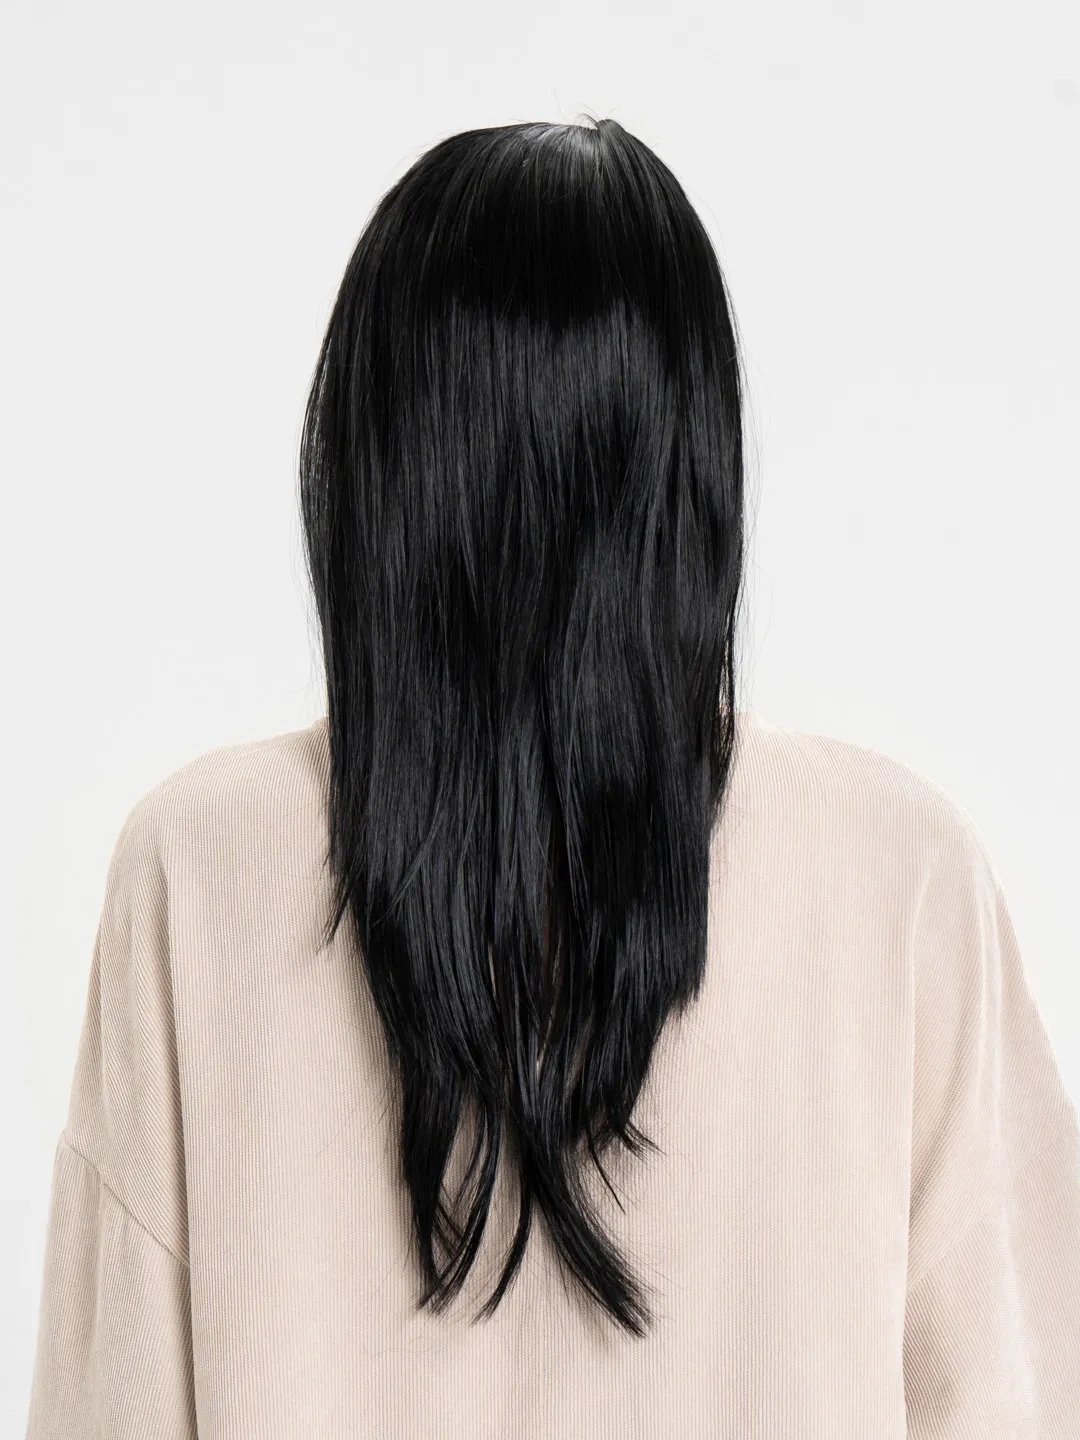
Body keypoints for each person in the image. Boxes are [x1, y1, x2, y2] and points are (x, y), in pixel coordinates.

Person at [24, 117, 1080, 1439]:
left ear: (368, 460)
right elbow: (1011, 1400)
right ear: (694, 472)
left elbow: (111, 1403)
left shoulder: (199, 860)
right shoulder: (894, 864)